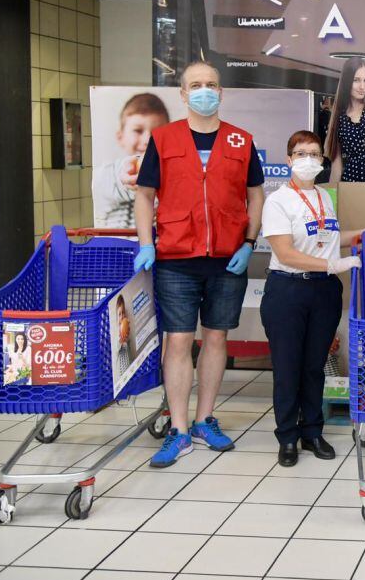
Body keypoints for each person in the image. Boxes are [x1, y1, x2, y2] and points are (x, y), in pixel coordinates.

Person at [133, 61, 266, 468]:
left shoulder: (241, 141)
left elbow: (256, 196)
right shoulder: (163, 138)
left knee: (216, 338)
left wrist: (248, 242)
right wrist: (146, 243)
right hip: (175, 257)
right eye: (196, 85)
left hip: (228, 259)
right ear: (183, 93)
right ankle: (178, 428)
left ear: (221, 93)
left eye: (211, 85)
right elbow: (144, 195)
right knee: (177, 341)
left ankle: (205, 419)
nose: (204, 90)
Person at [260, 130, 365, 467]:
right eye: (301, 153)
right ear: (289, 159)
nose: (308, 159)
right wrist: (332, 264)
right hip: (288, 290)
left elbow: (331, 239)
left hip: (323, 290)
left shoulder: (324, 197)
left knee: (314, 366)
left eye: (314, 153)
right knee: (287, 367)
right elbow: (285, 252)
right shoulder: (278, 201)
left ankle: (312, 431)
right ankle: (287, 436)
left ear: (323, 161)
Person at [93, 93, 170, 228]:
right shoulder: (107, 175)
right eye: (138, 131)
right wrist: (128, 173)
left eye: (157, 132)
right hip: (118, 248)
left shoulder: (175, 174)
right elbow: (113, 177)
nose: (147, 140)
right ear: (120, 137)